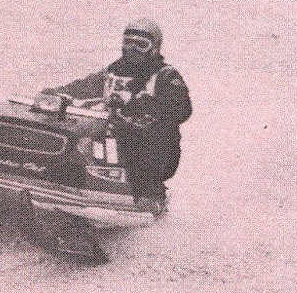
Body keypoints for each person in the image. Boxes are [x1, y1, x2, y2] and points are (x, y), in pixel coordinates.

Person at [44, 18, 192, 209]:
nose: (132, 49)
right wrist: (60, 93)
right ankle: (62, 181)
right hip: (113, 133)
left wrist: (150, 107)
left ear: (154, 48)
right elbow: (87, 86)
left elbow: (183, 107)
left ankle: (148, 192)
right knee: (77, 136)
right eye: (128, 42)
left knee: (142, 149)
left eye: (141, 45)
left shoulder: (164, 75)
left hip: (150, 141)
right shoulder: (114, 71)